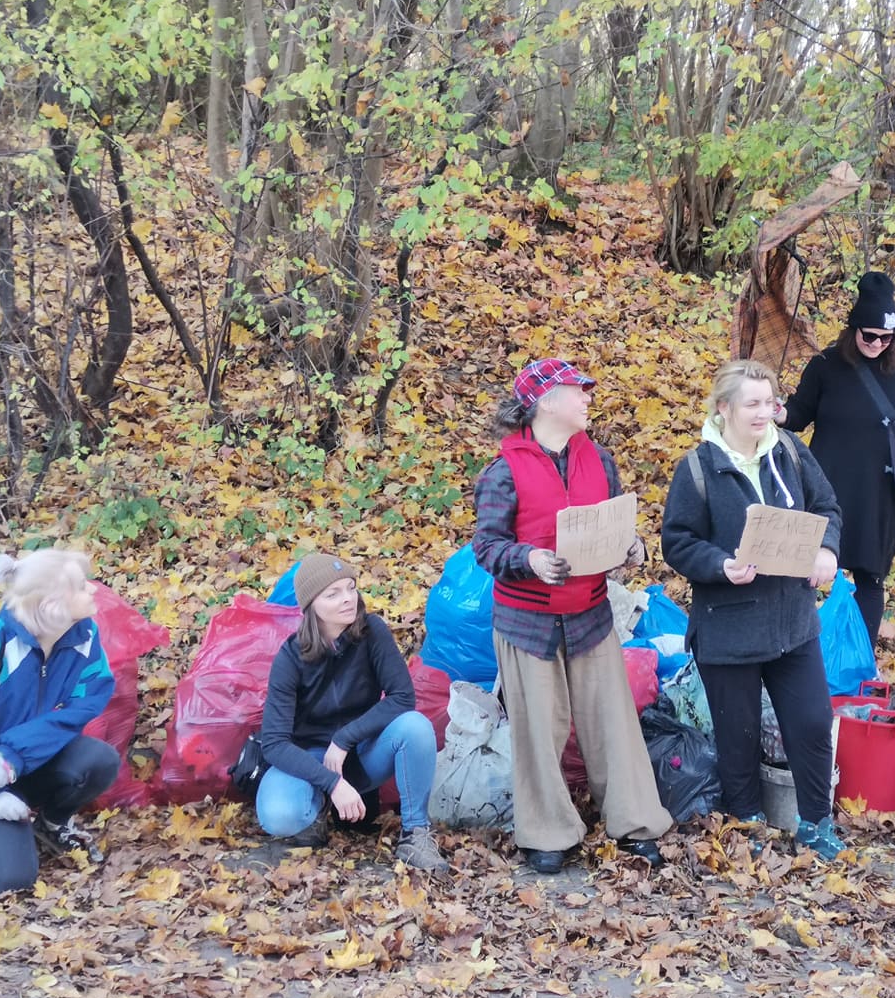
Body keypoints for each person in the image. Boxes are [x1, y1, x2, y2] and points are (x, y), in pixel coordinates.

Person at [473, 357, 672, 874]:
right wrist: (530, 559)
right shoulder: (502, 471)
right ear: (543, 402)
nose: (587, 397)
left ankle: (635, 823)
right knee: (539, 730)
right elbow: (488, 548)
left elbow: (614, 526)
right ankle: (548, 834)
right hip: (527, 624)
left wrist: (631, 549)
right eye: (576, 390)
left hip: (590, 615)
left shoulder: (599, 460)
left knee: (613, 723)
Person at [663, 358, 847, 859]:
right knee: (737, 734)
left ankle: (815, 822)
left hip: (793, 623)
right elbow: (677, 543)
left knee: (811, 723)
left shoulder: (790, 451)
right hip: (728, 630)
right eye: (753, 404)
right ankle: (747, 823)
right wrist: (721, 565)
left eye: (770, 402)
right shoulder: (697, 469)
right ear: (723, 408)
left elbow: (828, 507)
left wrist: (827, 551)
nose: (765, 413)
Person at [777, 270, 895, 648]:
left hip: (878, 490)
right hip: (826, 488)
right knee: (807, 573)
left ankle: (860, 657)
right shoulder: (826, 364)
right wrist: (777, 413)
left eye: (885, 338)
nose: (876, 343)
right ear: (854, 329)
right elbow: (797, 413)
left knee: (871, 577)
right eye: (869, 335)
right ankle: (800, 651)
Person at [258, 553, 448, 873]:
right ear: (311, 606)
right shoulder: (291, 657)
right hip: (310, 760)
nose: (348, 599)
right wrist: (332, 783)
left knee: (415, 727)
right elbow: (274, 743)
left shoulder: (372, 631)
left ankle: (415, 833)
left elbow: (403, 697)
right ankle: (316, 812)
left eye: (351, 588)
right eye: (333, 594)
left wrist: (346, 739)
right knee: (278, 814)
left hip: (363, 752)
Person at [0, 550, 119, 898]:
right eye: (82, 587)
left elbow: (86, 702)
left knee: (98, 761)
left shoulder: (83, 637)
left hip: (16, 767)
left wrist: (13, 755)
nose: (94, 591)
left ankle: (51, 824)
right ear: (52, 604)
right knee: (6, 881)